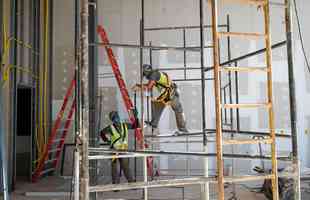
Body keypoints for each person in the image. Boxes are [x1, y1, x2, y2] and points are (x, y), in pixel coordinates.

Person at [132, 64, 188, 134]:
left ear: (146, 71)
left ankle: (183, 129)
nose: (144, 75)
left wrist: (139, 87)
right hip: (168, 93)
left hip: (171, 93)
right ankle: (154, 124)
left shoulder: (154, 74)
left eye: (144, 73)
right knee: (157, 104)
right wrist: (139, 86)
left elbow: (149, 87)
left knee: (178, 109)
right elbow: (150, 86)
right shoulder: (154, 74)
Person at [99, 111, 134, 185]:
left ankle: (132, 183)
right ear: (112, 119)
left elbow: (136, 125)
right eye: (114, 118)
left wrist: (135, 117)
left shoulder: (125, 125)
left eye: (117, 117)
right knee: (114, 168)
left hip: (123, 150)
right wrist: (107, 140)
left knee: (125, 167)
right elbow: (102, 133)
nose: (116, 119)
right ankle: (115, 185)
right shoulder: (110, 128)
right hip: (114, 150)